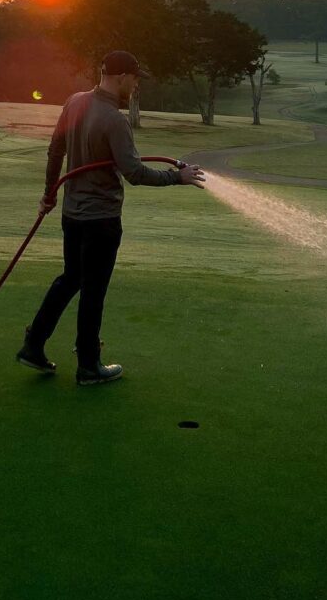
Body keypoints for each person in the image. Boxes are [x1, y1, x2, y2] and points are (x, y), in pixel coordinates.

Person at [16, 50, 206, 385]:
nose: (135, 85)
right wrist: (178, 177)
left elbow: (55, 150)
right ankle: (89, 365)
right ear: (121, 77)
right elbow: (133, 172)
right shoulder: (114, 119)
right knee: (93, 291)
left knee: (70, 279)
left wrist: (49, 194)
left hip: (72, 215)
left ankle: (34, 344)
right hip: (101, 220)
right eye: (134, 79)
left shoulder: (74, 102)